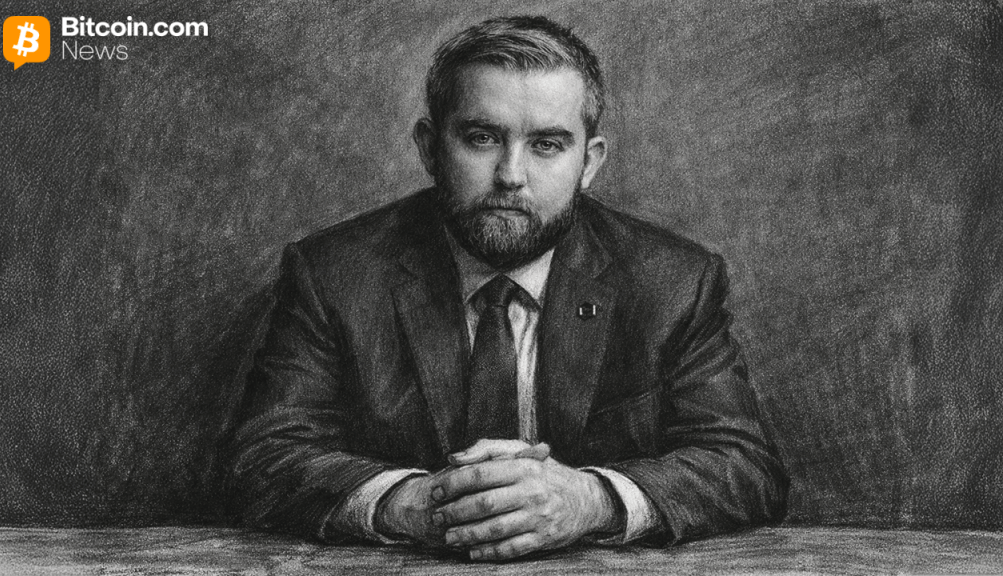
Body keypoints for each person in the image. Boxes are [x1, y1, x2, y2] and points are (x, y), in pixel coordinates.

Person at [227, 15, 788, 562]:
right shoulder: (334, 273)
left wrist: (589, 500)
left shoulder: (673, 281)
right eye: (481, 138)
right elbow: (261, 457)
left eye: (547, 145)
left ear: (589, 162)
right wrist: (411, 503)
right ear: (430, 147)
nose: (511, 175)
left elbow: (743, 464)